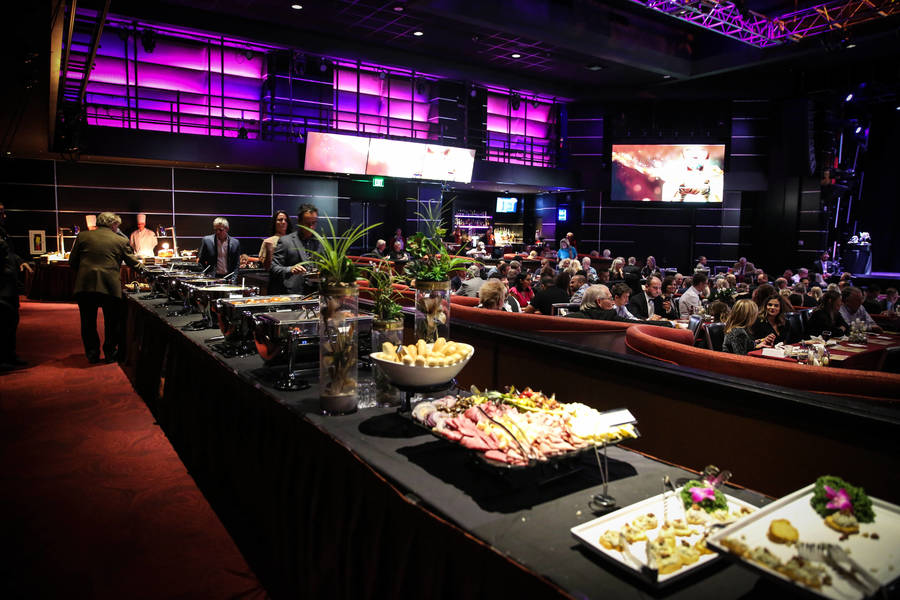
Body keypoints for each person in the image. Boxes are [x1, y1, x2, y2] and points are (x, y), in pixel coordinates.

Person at [69, 212, 143, 364]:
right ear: (113, 225)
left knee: (87, 322)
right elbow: (134, 263)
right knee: (112, 322)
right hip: (109, 286)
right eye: (117, 225)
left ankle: (92, 354)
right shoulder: (120, 240)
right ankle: (110, 353)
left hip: (85, 285)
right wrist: (149, 271)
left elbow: (72, 262)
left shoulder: (82, 236)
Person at [270, 204, 319, 294]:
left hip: (316, 292)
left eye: (314, 223)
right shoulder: (286, 241)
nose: (311, 227)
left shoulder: (320, 242)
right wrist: (290, 269)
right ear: (299, 222)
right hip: (294, 293)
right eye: (307, 224)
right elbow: (273, 268)